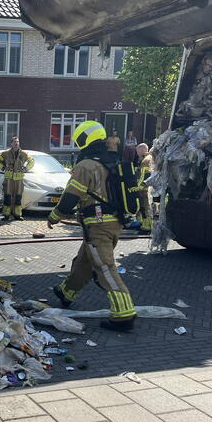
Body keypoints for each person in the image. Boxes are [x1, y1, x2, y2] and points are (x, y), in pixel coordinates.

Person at [47, 120, 137, 331]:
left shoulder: (86, 165)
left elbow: (70, 198)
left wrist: (53, 216)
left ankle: (124, 313)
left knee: (104, 267)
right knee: (85, 261)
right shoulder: (112, 160)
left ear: (85, 139)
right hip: (113, 223)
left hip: (97, 226)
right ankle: (66, 292)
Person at [0, 136, 34, 221]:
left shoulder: (24, 153)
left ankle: (17, 215)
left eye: (18, 142)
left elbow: (32, 161)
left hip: (19, 180)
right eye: (15, 142)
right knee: (8, 197)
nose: (16, 143)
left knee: (18, 197)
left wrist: (26, 168)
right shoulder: (5, 153)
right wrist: (2, 167)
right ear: (11, 143)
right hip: (9, 179)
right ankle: (6, 215)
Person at [134, 143, 153, 232]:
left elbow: (143, 176)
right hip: (149, 188)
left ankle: (147, 225)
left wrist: (137, 187)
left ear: (142, 150)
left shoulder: (145, 161)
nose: (137, 153)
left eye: (137, 151)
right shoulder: (150, 158)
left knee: (146, 207)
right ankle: (147, 224)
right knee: (148, 207)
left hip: (145, 189)